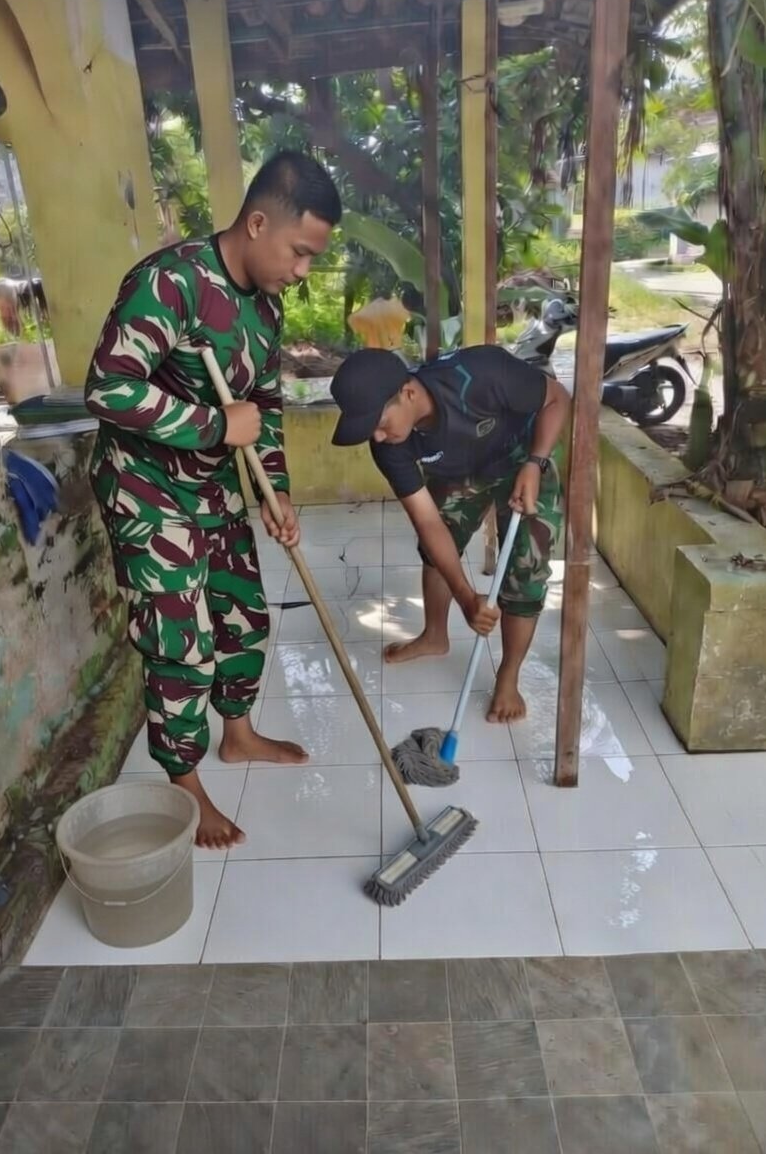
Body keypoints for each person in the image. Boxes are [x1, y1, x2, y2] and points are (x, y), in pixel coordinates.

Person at [85, 151, 342, 848]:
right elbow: (108, 387)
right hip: (144, 486)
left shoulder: (267, 307)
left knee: (243, 616)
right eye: (299, 251)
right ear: (258, 223)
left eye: (312, 258)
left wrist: (275, 492)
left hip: (211, 485)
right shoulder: (171, 283)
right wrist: (213, 426)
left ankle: (238, 734)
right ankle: (186, 784)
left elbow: (263, 405)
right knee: (183, 643)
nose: (302, 270)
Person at [330, 344, 570, 723]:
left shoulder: (481, 374)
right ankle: (434, 636)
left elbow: (557, 398)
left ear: (408, 393)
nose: (376, 436)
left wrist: (535, 462)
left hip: (522, 456)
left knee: (527, 568)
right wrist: (465, 597)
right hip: (459, 471)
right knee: (436, 547)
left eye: (379, 422)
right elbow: (428, 523)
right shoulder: (391, 446)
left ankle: (508, 675)